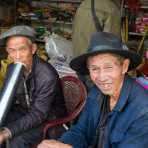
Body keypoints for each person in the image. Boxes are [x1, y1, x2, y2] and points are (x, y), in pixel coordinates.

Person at [37, 32, 148, 148]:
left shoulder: (143, 110)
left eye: (108, 67)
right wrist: (62, 145)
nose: (101, 78)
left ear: (124, 66)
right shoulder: (96, 92)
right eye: (94, 69)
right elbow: (80, 131)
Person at [0, 25, 67, 148]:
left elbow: (38, 114)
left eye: (22, 49)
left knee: (16, 140)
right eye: (12, 50)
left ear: (33, 49)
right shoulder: (12, 69)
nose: (17, 56)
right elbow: (8, 99)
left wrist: (6, 133)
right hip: (25, 112)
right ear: (7, 51)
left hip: (48, 119)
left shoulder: (46, 75)